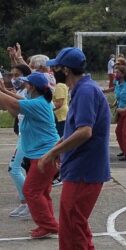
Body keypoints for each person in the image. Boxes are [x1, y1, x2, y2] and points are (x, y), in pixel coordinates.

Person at [39, 47, 111, 249]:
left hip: (84, 171)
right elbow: (75, 129)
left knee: (72, 226)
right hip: (80, 169)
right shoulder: (81, 89)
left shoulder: (86, 91)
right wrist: (59, 145)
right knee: (75, 224)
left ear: (66, 70)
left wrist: (53, 152)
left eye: (56, 68)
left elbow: (85, 131)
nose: (53, 71)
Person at [0, 71, 60, 238]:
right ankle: (48, 224)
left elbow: (13, 105)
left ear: (32, 87)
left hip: (45, 155)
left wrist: (2, 93)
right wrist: (4, 90)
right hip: (42, 153)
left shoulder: (38, 104)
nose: (24, 85)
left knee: (31, 191)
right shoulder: (39, 100)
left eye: (27, 83)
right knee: (42, 192)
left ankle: (49, 225)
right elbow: (18, 101)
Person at [0, 64, 31, 218]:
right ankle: (25, 202)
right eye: (12, 75)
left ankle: (29, 202)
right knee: (18, 169)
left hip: (30, 138)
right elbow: (14, 112)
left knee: (14, 168)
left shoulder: (29, 92)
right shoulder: (20, 91)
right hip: (24, 136)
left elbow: (21, 105)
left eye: (17, 75)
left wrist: (4, 93)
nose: (14, 78)